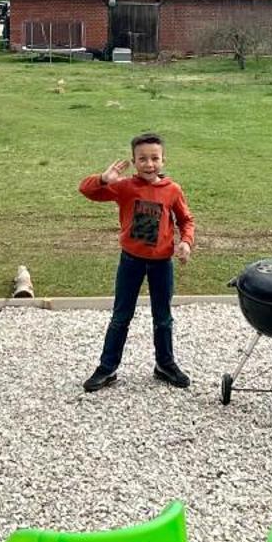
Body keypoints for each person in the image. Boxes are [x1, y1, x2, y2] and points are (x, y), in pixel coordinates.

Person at [77, 131, 194, 392]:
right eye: (142, 159)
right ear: (134, 160)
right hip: (130, 262)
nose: (149, 164)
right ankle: (107, 368)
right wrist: (103, 179)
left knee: (162, 318)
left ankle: (165, 364)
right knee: (121, 316)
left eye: (155, 158)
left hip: (162, 264)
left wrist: (186, 241)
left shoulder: (172, 190)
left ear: (163, 160)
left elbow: (186, 220)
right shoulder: (124, 187)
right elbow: (86, 190)